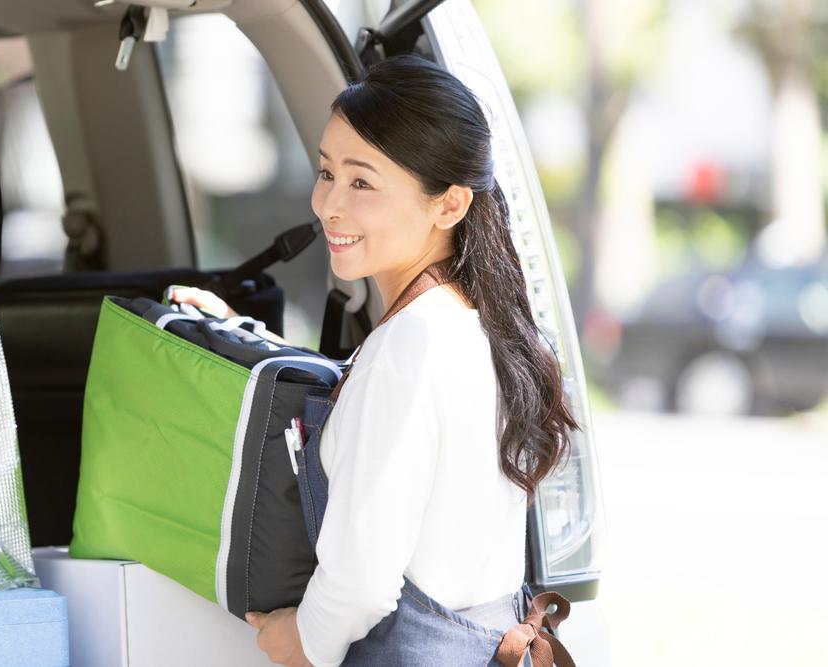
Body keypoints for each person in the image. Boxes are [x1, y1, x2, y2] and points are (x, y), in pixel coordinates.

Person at [171, 54, 579, 667]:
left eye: (362, 182)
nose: (329, 204)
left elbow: (361, 581)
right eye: (326, 172)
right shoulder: (480, 328)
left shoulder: (409, 346)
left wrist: (304, 638)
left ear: (449, 205)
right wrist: (237, 333)